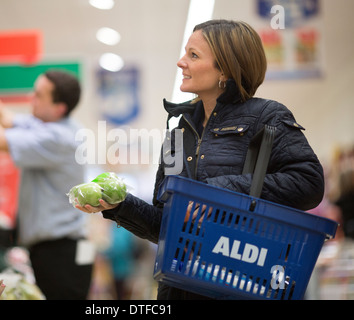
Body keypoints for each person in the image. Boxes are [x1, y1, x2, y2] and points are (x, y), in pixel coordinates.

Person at [75, 19, 325, 299]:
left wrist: (222, 190)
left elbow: (309, 183)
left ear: (227, 69)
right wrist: (119, 206)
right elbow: (165, 225)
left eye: (193, 55)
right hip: (179, 286)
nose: (182, 62)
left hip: (241, 283)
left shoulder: (266, 117)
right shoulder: (178, 133)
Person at [0, 59, 94, 300]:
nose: (30, 96)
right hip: (59, 248)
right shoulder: (49, 124)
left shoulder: (59, 137)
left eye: (39, 95)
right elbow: (2, 116)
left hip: (62, 254)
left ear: (59, 108)